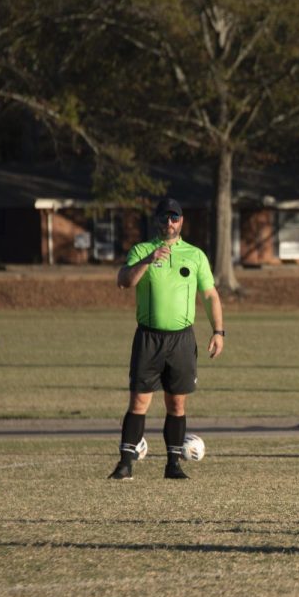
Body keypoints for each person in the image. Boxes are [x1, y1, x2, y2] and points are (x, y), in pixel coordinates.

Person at [108, 198, 224, 480]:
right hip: (149, 338)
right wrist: (148, 261)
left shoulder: (195, 255)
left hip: (182, 341)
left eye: (174, 218)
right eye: (164, 218)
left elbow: (209, 295)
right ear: (156, 220)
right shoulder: (142, 250)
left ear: (181, 221)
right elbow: (124, 281)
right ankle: (125, 463)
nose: (169, 223)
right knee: (139, 402)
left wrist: (218, 331)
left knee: (177, 404)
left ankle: (173, 464)